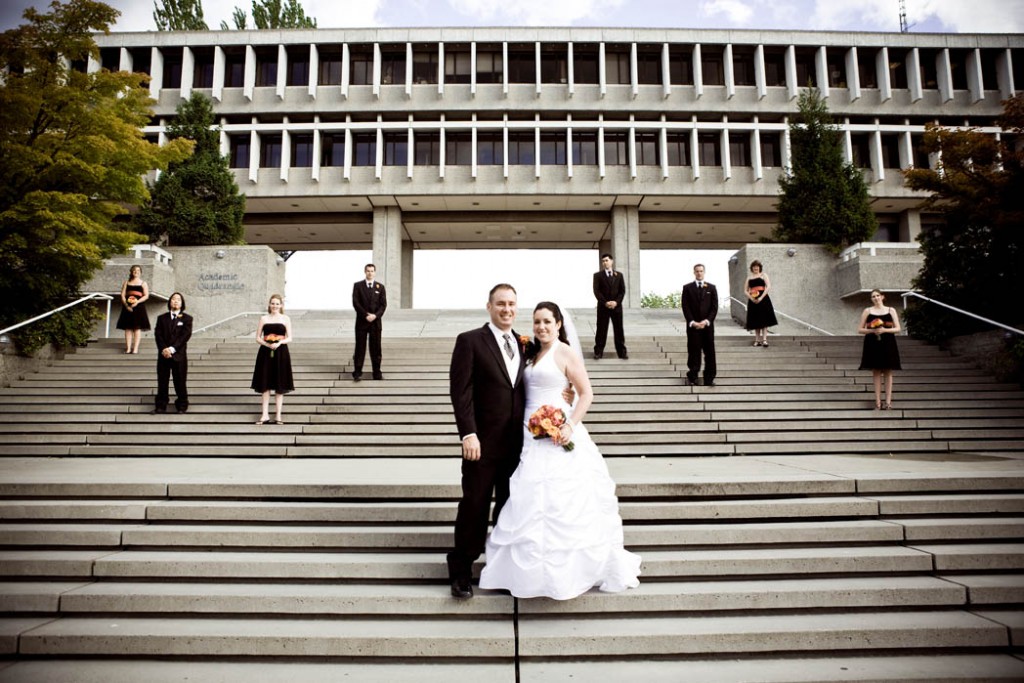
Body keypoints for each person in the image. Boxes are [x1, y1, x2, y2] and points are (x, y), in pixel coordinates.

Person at [479, 301, 641, 600]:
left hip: (558, 431)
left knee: (560, 500)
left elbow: (586, 393)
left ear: (558, 324)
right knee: (526, 497)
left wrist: (568, 424)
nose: (541, 327)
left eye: (547, 322)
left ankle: (565, 574)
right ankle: (524, 574)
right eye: (537, 322)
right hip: (527, 433)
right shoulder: (529, 352)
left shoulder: (564, 351)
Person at [447, 284, 527, 600]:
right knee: (475, 505)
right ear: (489, 306)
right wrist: (468, 433)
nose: (507, 309)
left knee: (509, 509)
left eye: (511, 304)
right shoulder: (470, 341)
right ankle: (461, 571)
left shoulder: (525, 344)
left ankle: (502, 569)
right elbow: (461, 391)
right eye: (500, 304)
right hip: (481, 443)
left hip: (518, 446)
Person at [251, 294, 294, 425]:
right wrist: (267, 344)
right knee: (265, 383)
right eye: (272, 303)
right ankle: (264, 415)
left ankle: (278, 415)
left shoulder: (285, 318)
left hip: (281, 353)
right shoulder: (263, 318)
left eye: (277, 304)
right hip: (265, 352)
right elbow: (258, 337)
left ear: (281, 305)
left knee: (279, 384)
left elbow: (290, 337)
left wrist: (279, 343)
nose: (275, 306)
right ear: (269, 305)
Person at [857, 289, 902, 410]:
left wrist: (884, 330)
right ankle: (877, 402)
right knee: (876, 371)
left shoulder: (891, 310)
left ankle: (888, 403)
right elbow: (860, 329)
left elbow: (898, 328)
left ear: (882, 297)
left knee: (888, 372)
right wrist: (873, 330)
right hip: (872, 343)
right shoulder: (867, 311)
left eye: (877, 295)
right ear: (871, 299)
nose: (876, 298)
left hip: (888, 342)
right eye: (873, 297)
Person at [153, 292, 192, 414]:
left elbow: (185, 336)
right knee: (162, 381)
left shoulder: (187, 319)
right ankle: (161, 405)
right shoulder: (161, 318)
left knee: (180, 381)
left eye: (178, 300)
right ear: (169, 302)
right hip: (163, 355)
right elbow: (158, 335)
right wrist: (164, 349)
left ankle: (182, 405)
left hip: (178, 356)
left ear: (182, 303)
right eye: (173, 299)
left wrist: (171, 349)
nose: (175, 301)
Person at [681, 264, 718, 387]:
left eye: (701, 271)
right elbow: (685, 307)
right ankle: (693, 376)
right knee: (694, 352)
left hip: (707, 327)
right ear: (694, 272)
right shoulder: (687, 288)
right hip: (693, 327)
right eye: (697, 271)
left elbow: (714, 307)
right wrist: (692, 322)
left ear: (704, 272)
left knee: (710, 353)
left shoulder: (711, 288)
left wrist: (707, 321)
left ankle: (709, 378)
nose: (699, 273)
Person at [351, 263, 387, 381]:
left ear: (375, 272)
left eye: (372, 271)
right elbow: (356, 303)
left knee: (376, 348)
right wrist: (366, 315)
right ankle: (357, 372)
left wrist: (375, 316)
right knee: (360, 348)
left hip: (375, 323)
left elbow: (383, 305)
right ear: (365, 272)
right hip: (362, 321)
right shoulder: (358, 286)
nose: (370, 273)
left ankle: (377, 372)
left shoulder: (380, 287)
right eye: (368, 271)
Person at [592, 253, 628, 360]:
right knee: (601, 330)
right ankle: (598, 352)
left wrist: (616, 302)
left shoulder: (619, 275)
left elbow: (622, 291)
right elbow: (596, 291)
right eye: (603, 261)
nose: (605, 263)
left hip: (616, 308)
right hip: (603, 308)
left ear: (612, 261)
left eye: (606, 260)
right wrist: (605, 302)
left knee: (619, 330)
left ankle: (622, 353)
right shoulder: (597, 276)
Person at [115, 265, 151, 354]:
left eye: (138, 270)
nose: (136, 272)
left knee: (137, 328)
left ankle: (135, 349)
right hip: (127, 307)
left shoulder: (143, 283)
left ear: (140, 272)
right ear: (131, 272)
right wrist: (127, 305)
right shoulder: (126, 282)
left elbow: (146, 295)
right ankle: (128, 348)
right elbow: (123, 295)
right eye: (134, 270)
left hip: (139, 307)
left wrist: (137, 302)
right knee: (128, 328)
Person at [744, 260, 779, 347]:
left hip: (763, 300)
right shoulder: (749, 278)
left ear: (760, 267)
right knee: (756, 320)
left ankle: (764, 340)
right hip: (753, 301)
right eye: (754, 266)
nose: (756, 268)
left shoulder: (764, 275)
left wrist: (761, 297)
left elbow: (768, 287)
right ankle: (757, 340)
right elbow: (745, 290)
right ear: (752, 268)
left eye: (757, 266)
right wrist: (752, 298)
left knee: (764, 320)